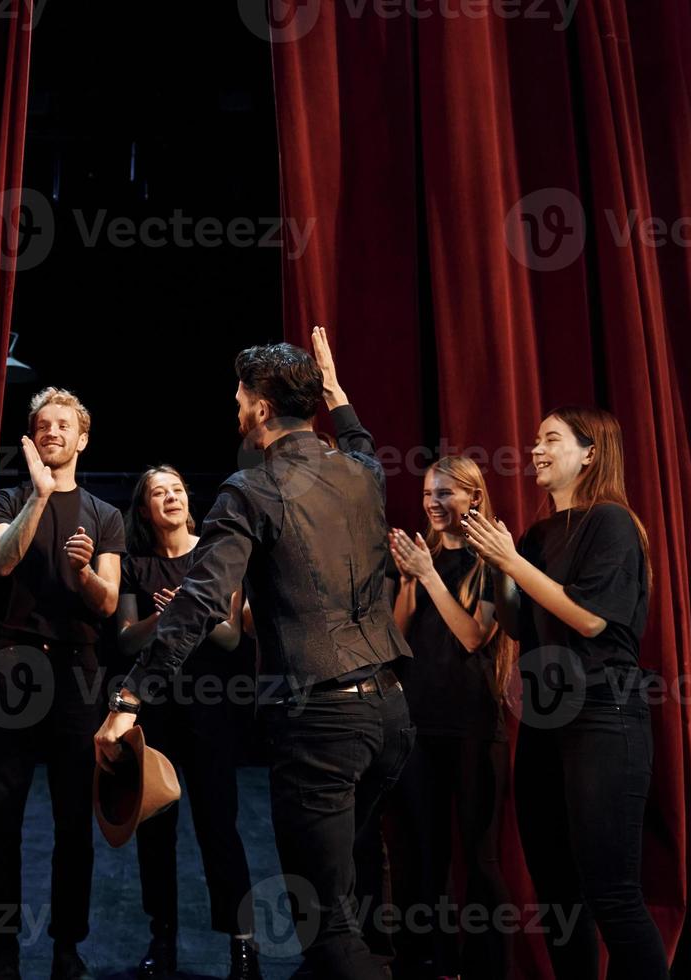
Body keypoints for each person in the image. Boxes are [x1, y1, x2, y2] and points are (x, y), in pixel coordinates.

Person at [97, 327, 415, 979]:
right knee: (343, 906)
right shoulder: (359, 474)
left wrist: (128, 698)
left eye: (241, 395)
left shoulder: (250, 490)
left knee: (326, 927)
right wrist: (337, 390)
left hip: (322, 724)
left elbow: (197, 605)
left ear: (261, 408)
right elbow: (360, 443)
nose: (235, 406)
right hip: (389, 719)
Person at [462, 407, 669, 980]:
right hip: (546, 724)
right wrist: (499, 565)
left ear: (590, 452)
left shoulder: (612, 523)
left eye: (551, 439)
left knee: (612, 892)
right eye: (535, 440)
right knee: (558, 896)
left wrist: (510, 562)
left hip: (605, 715)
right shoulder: (536, 534)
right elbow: (516, 621)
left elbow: (591, 621)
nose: (536, 449)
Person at [0, 387, 124, 980]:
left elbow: (109, 603)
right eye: (43, 424)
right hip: (13, 664)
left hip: (76, 670)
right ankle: (3, 948)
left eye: (64, 424)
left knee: (71, 818)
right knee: (1, 814)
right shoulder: (9, 497)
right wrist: (38, 497)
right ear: (32, 436)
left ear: (82, 438)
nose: (52, 431)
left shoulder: (105, 514)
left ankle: (67, 947)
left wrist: (85, 571)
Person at [116, 465, 260, 980]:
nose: (170, 497)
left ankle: (243, 949)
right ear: (146, 509)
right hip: (156, 715)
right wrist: (163, 619)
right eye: (158, 493)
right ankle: (164, 941)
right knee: (156, 833)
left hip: (211, 713)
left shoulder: (214, 554)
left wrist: (184, 608)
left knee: (219, 829)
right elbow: (126, 640)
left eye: (176, 489)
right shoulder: (136, 565)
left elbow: (229, 639)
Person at [385, 457, 515, 979]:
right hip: (420, 726)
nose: (433, 504)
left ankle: (490, 970)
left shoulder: (491, 563)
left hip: (473, 729)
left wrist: (429, 576)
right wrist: (409, 582)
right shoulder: (424, 559)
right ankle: (441, 967)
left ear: (474, 499)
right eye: (427, 494)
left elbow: (471, 636)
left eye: (445, 494)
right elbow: (397, 639)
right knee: (424, 860)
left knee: (480, 862)